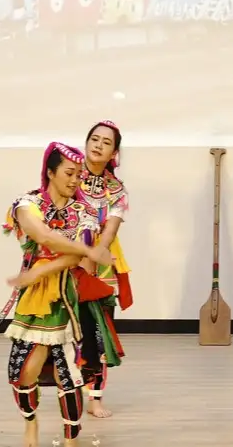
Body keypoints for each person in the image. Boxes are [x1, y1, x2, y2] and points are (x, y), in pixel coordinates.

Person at [0, 142, 112, 447]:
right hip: (32, 299)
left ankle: (71, 439)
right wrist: (88, 250)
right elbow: (44, 236)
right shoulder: (26, 203)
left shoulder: (84, 212)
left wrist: (44, 269)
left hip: (66, 298)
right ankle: (30, 424)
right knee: (22, 373)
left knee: (68, 376)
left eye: (79, 175)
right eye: (70, 173)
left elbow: (72, 259)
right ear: (50, 172)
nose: (75, 180)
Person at [76, 120, 130, 419]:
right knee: (64, 329)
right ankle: (65, 387)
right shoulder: (68, 174)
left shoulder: (116, 189)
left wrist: (93, 258)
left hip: (100, 264)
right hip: (65, 259)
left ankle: (94, 397)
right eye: (93, 139)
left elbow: (109, 231)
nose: (97, 145)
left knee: (98, 331)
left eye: (105, 142)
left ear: (114, 153)